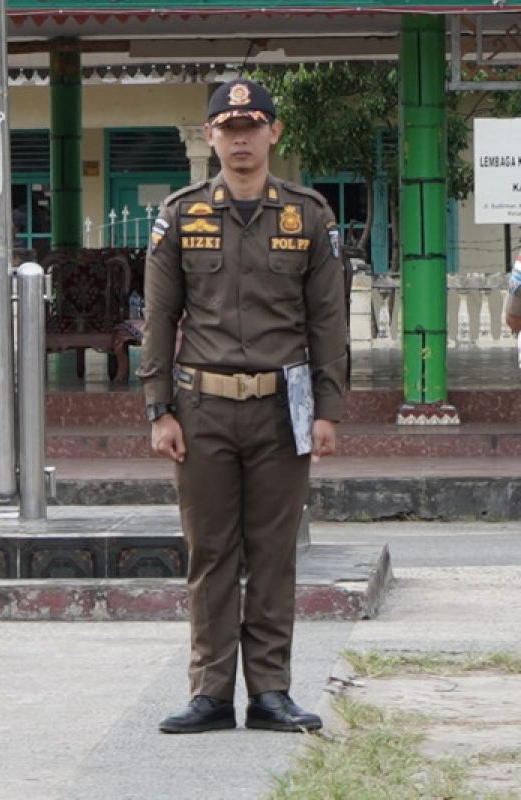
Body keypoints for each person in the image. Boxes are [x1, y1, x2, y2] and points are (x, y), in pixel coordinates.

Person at [137, 78, 348, 734]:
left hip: (282, 408)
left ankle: (270, 692)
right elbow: (160, 316)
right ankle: (209, 692)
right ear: (210, 136)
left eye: (252, 126)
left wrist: (328, 410)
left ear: (274, 133)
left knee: (274, 551)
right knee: (210, 552)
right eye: (228, 128)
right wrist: (158, 407)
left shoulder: (308, 216)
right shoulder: (180, 214)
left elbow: (328, 321)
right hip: (201, 408)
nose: (241, 139)